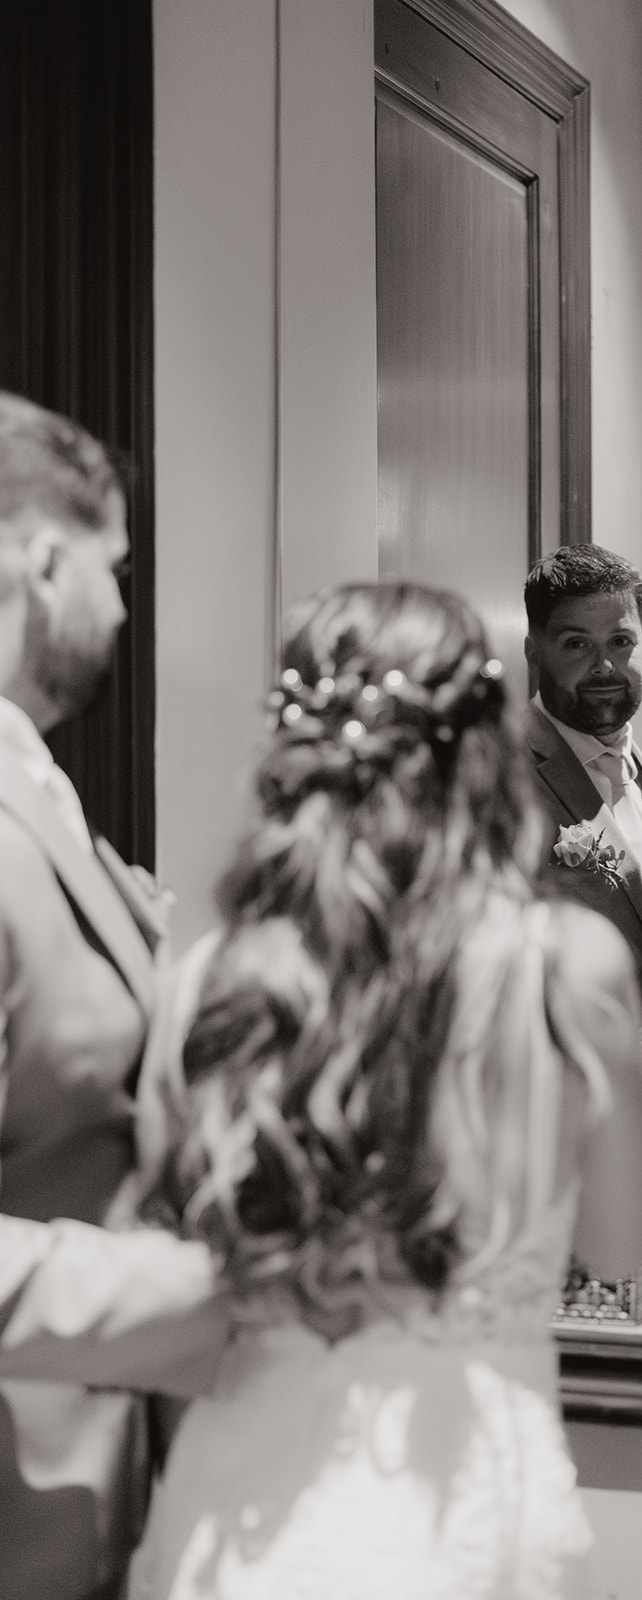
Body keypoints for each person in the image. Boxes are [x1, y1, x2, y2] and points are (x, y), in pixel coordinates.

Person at [128, 580, 642, 1599]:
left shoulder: (203, 981)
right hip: (461, 1518)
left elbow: (172, 1291)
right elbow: (621, 1241)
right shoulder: (562, 966)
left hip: (230, 1511)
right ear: (482, 749)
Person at [0, 391, 226, 1600]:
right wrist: (204, 1289)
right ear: (42, 559)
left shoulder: (34, 789)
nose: (126, 605)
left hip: (87, 1498)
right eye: (113, 565)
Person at [524, 543, 642, 1027]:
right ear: (534, 653)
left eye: (620, 642)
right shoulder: (499, 783)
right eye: (577, 644)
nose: (604, 665)